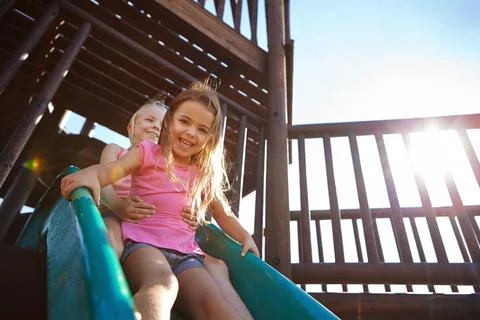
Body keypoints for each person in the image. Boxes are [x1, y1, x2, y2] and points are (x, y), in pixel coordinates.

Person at [61, 82, 259, 320]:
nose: (191, 133)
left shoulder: (202, 174)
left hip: (188, 256)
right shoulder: (146, 153)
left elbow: (223, 214)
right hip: (143, 244)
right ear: (169, 121)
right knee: (163, 284)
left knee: (213, 301)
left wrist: (245, 236)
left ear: (210, 138)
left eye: (202, 129)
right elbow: (111, 171)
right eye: (184, 122)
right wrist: (91, 174)